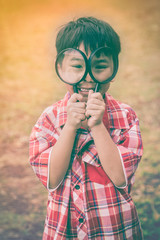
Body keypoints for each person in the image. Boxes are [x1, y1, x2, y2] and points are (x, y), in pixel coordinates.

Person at [29, 17, 143, 239]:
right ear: (60, 67)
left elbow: (120, 178)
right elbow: (52, 180)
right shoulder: (49, 119)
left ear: (114, 68)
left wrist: (97, 125)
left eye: (99, 66)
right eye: (77, 66)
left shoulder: (126, 116)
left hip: (114, 228)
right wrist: (70, 126)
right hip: (65, 230)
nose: (88, 77)